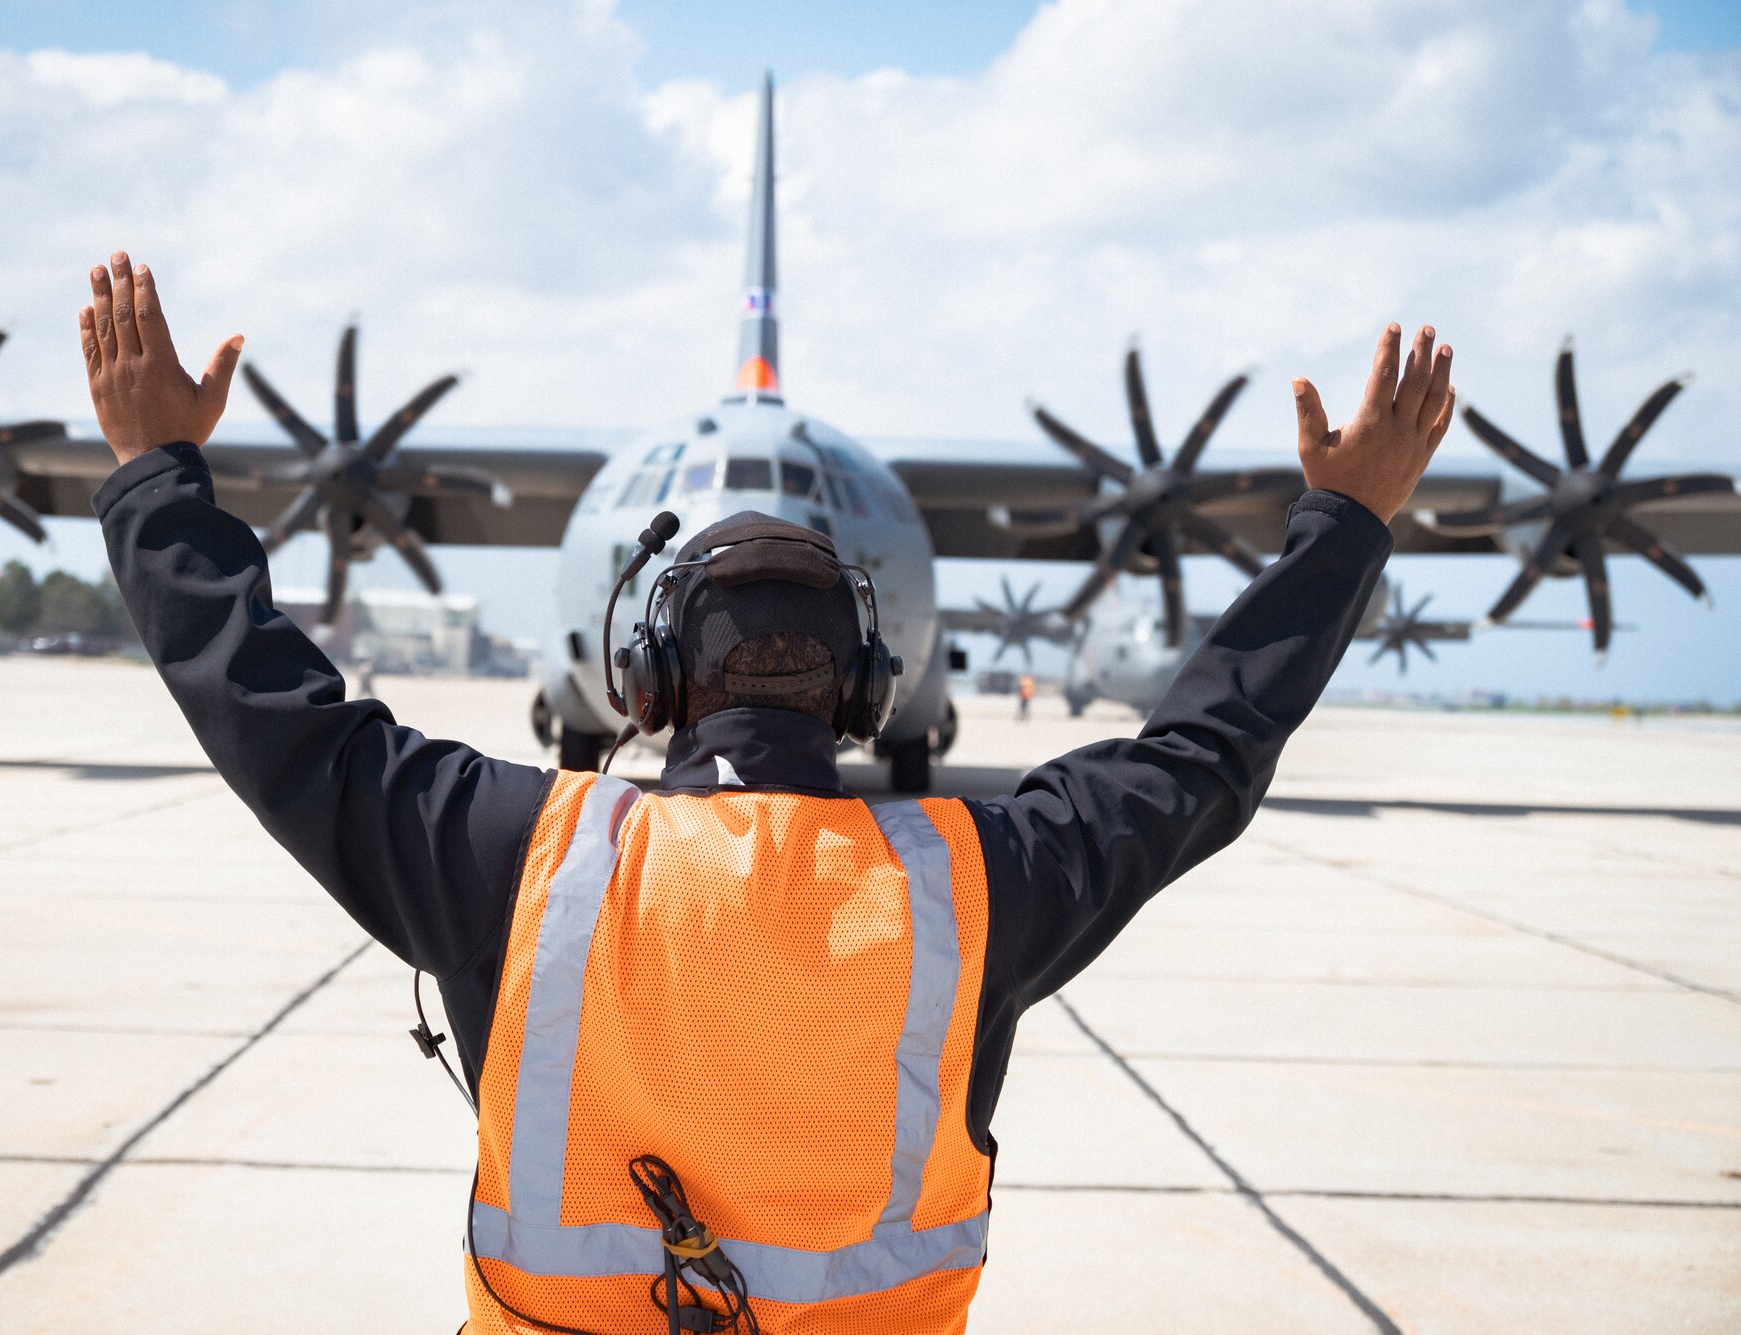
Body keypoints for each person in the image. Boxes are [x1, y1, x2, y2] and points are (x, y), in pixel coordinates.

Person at [78, 250, 1452, 1334]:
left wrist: (157, 479)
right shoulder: (980, 884)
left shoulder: (511, 855)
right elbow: (1201, 754)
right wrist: (1346, 528)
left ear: (649, 677)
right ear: (866, 686)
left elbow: (275, 716)